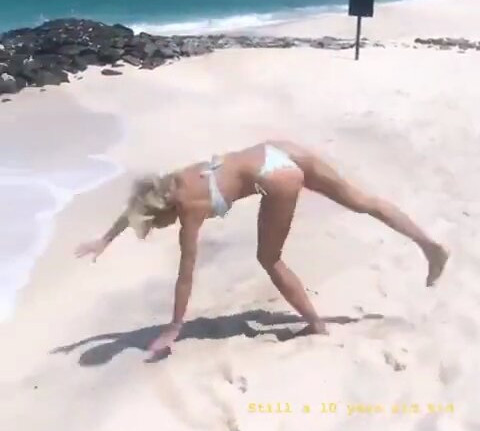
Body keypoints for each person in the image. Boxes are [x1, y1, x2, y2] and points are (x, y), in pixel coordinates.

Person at [75, 140, 449, 357]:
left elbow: (186, 273)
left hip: (276, 178)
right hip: (276, 150)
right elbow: (138, 204)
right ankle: (429, 246)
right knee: (362, 201)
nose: (161, 227)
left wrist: (175, 326)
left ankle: (316, 324)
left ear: (164, 212)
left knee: (268, 258)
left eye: (158, 223)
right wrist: (105, 239)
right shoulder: (174, 179)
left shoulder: (189, 210)